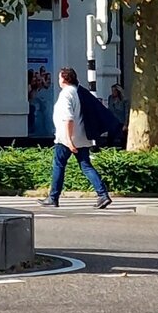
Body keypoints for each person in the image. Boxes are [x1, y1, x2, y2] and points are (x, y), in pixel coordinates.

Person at [40, 66, 112, 209]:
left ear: (65, 79)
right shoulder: (79, 92)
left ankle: (53, 197)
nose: (59, 80)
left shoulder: (66, 94)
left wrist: (68, 139)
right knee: (86, 166)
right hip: (82, 136)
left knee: (58, 165)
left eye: (60, 77)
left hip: (67, 139)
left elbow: (68, 118)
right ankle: (103, 194)